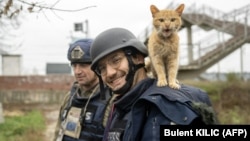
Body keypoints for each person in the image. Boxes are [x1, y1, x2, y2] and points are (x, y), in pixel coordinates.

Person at [90, 27, 218, 141]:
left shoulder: (168, 107)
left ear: (138, 58)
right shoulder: (121, 106)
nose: (110, 73)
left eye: (116, 60)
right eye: (102, 68)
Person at [53, 39, 110, 141]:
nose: (77, 71)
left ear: (97, 66)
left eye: (83, 65)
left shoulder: (111, 99)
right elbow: (58, 133)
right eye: (74, 65)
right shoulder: (69, 98)